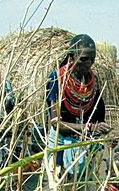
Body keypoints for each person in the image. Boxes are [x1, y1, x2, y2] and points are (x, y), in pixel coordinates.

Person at [46, 34, 111, 178]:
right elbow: (56, 123)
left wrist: (104, 130)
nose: (89, 63)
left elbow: (98, 117)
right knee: (60, 188)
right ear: (71, 57)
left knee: (85, 190)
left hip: (84, 145)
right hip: (61, 142)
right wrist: (88, 127)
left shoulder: (92, 82)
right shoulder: (56, 79)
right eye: (84, 59)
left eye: (92, 59)